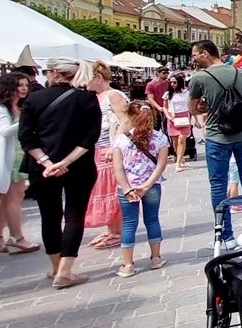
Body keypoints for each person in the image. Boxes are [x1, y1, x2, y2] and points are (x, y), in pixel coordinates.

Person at [19, 57, 103, 289]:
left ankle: (56, 267)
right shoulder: (86, 98)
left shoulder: (34, 99)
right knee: (74, 214)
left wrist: (47, 163)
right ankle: (65, 271)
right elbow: (90, 137)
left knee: (50, 216)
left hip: (41, 168)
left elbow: (26, 137)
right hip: (79, 165)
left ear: (55, 73)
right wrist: (65, 161)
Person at [189, 39, 242, 249]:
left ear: (204, 53)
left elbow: (194, 110)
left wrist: (206, 105)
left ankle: (227, 236)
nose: (193, 59)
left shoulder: (199, 78)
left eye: (195, 55)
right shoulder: (238, 73)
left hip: (217, 136)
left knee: (218, 186)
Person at [0, 73, 39, 255]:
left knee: (7, 199)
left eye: (26, 85)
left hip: (19, 157)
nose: (24, 89)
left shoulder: (17, 107)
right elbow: (5, 131)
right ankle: (17, 238)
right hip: (9, 160)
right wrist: (27, 119)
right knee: (14, 199)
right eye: (20, 85)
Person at [112, 101, 169, 278]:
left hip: (127, 187)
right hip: (151, 186)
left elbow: (118, 168)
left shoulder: (121, 140)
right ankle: (156, 258)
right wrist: (147, 185)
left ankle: (128, 264)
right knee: (152, 220)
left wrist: (128, 189)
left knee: (129, 223)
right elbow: (161, 165)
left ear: (130, 117)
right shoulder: (160, 138)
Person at [83, 60, 127, 249]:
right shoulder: (97, 97)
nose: (85, 84)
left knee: (112, 190)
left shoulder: (113, 95)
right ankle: (112, 230)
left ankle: (117, 232)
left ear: (98, 78)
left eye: (87, 79)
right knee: (104, 189)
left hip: (109, 150)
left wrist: (114, 145)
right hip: (97, 149)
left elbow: (126, 121)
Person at [165, 73, 193, 172]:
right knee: (175, 141)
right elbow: (165, 107)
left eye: (175, 82)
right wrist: (168, 116)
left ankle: (178, 161)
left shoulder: (187, 93)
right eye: (171, 82)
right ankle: (180, 157)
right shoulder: (168, 94)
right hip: (172, 117)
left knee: (182, 139)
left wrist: (194, 119)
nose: (172, 84)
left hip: (184, 117)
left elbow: (191, 106)